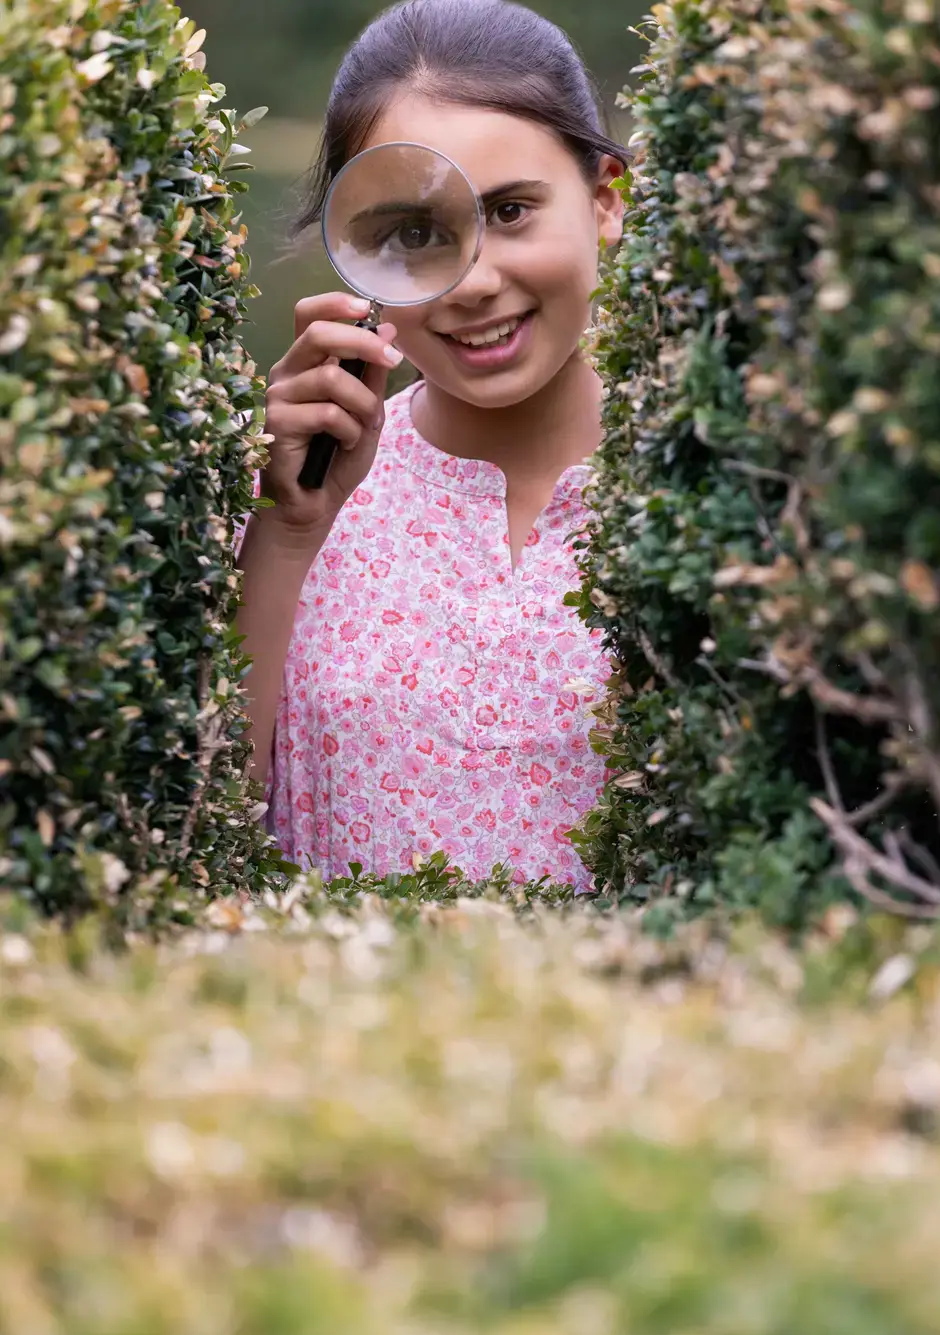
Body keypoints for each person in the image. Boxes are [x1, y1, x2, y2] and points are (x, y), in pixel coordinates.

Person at [236, 0, 630, 887]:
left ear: (605, 199)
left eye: (513, 211)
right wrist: (286, 529)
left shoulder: (712, 488)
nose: (475, 281)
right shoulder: (298, 497)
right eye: (414, 234)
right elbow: (192, 835)